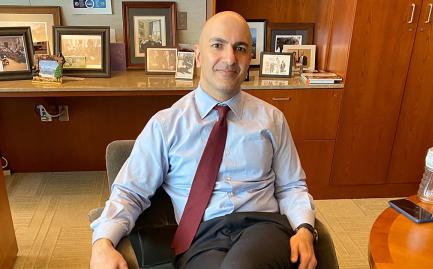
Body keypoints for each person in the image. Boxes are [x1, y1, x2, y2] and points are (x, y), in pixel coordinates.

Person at [90, 11, 317, 269]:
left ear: (249, 58)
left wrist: (305, 228)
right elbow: (131, 191)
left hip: (263, 227)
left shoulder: (272, 119)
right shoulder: (166, 125)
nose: (230, 58)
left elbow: (291, 186)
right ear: (198, 55)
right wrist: (102, 243)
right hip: (200, 237)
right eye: (217, 45)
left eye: (240, 48)